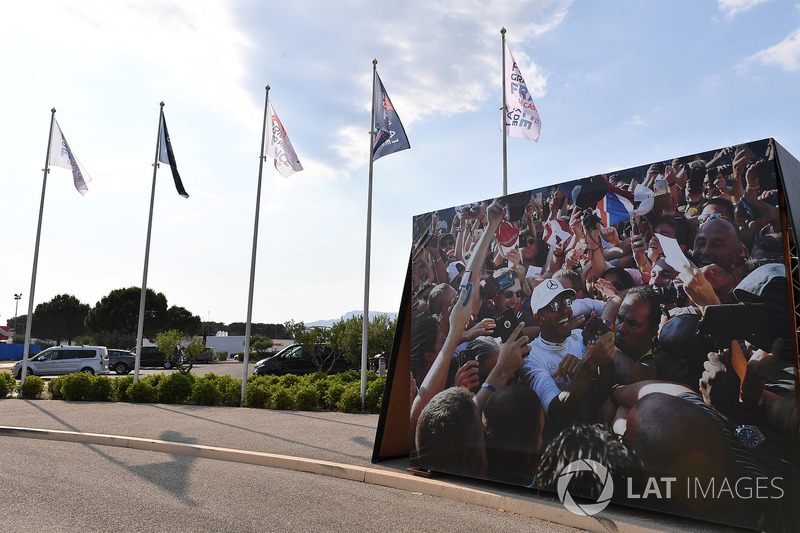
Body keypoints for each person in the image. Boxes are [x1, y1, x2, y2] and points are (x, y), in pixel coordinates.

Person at [520, 279, 616, 436]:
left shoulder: (580, 335)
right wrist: (589, 364)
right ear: (538, 318)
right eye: (554, 306)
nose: (564, 310)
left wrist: (605, 350)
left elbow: (607, 387)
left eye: (566, 302)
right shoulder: (531, 357)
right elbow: (557, 413)